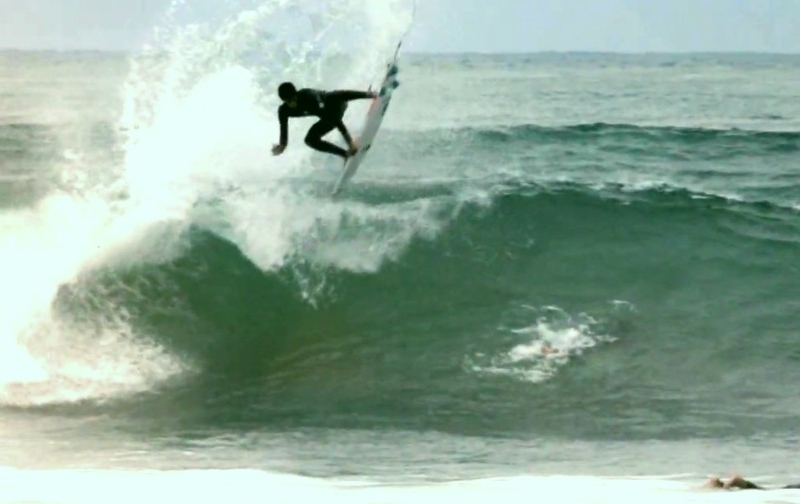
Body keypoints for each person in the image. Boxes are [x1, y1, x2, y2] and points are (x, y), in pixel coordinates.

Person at [271, 82, 376, 162]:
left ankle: (369, 94)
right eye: (289, 101)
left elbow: (335, 118)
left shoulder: (308, 98)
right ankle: (345, 155)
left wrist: (350, 143)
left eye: (293, 98)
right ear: (284, 101)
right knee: (310, 140)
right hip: (328, 117)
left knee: (335, 98)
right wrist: (282, 146)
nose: (293, 103)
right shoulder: (283, 111)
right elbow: (283, 130)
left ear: (296, 94)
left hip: (337, 104)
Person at [705, 474, 800, 490]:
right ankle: (737, 481)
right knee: (764, 491)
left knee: (765, 491)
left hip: (787, 489)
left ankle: (718, 484)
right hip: (789, 489)